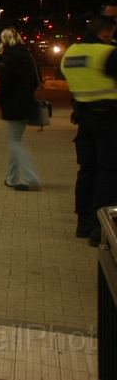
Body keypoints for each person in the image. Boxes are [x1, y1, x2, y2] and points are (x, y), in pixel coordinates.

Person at [60, 14, 117, 247]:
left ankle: (83, 222)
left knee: (87, 171)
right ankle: (99, 228)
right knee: (109, 173)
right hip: (110, 119)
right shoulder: (108, 53)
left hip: (84, 120)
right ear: (105, 33)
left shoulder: (71, 53)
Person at [0, 28, 41, 191]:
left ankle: (31, 178)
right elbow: (38, 79)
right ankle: (11, 177)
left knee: (15, 142)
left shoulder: (7, 58)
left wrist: (1, 100)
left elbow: (4, 84)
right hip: (27, 103)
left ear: (5, 40)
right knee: (15, 140)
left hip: (12, 105)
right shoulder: (28, 56)